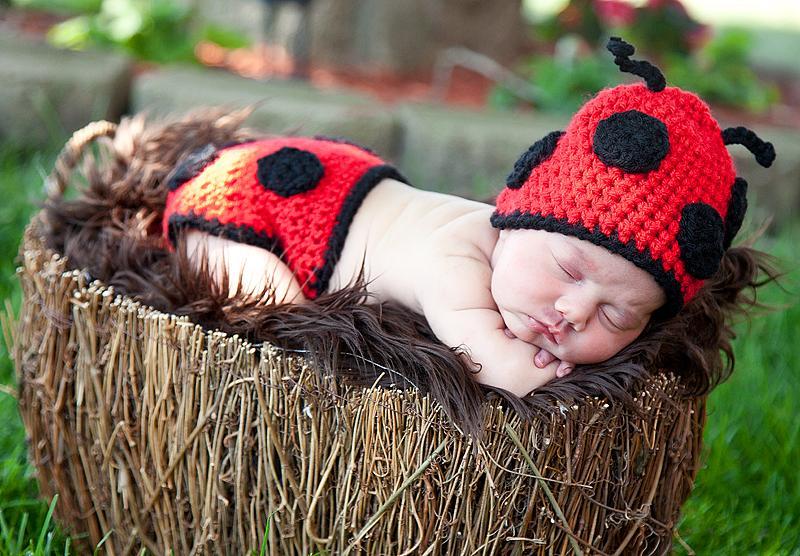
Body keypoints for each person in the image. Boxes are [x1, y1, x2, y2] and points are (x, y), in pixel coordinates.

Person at [161, 38, 775, 397]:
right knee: (269, 310)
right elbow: (481, 354)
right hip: (266, 209)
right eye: (567, 270)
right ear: (513, 218)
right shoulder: (457, 257)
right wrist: (522, 374)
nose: (573, 313)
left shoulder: (529, 258)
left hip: (348, 185)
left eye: (615, 314)